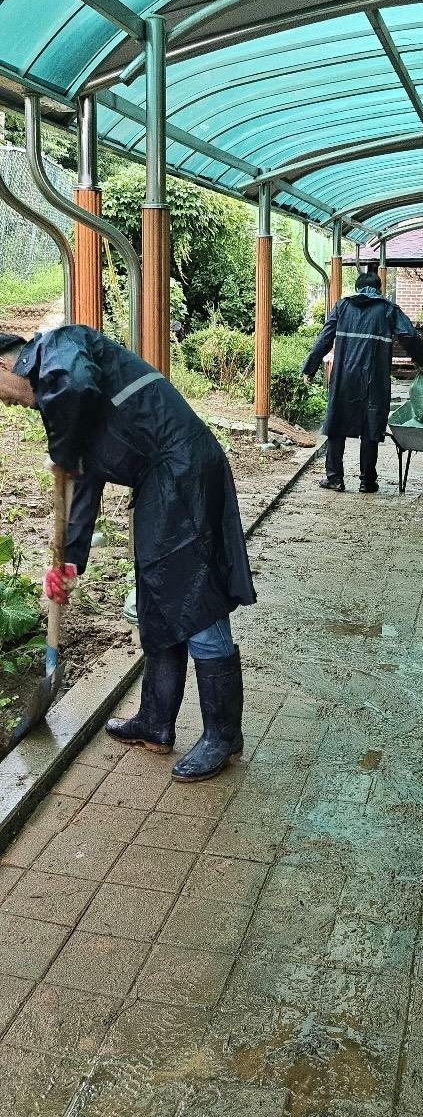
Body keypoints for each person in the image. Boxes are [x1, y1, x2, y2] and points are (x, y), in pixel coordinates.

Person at [0, 326, 256, 782]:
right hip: (161, 481)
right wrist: (69, 563)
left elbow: (75, 388)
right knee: (158, 597)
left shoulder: (59, 350)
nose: (4, 402)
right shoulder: (62, 398)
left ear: (3, 365)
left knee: (196, 600)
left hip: (184, 476)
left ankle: (223, 735)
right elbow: (82, 482)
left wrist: (61, 449)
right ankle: (156, 723)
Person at [302, 268, 423, 492]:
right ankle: (367, 481)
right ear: (379, 289)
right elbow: (409, 335)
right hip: (374, 378)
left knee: (336, 425)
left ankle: (334, 478)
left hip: (343, 376)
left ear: (357, 288)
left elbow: (325, 337)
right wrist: (420, 361)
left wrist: (310, 367)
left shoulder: (343, 306)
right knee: (371, 427)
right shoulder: (388, 309)